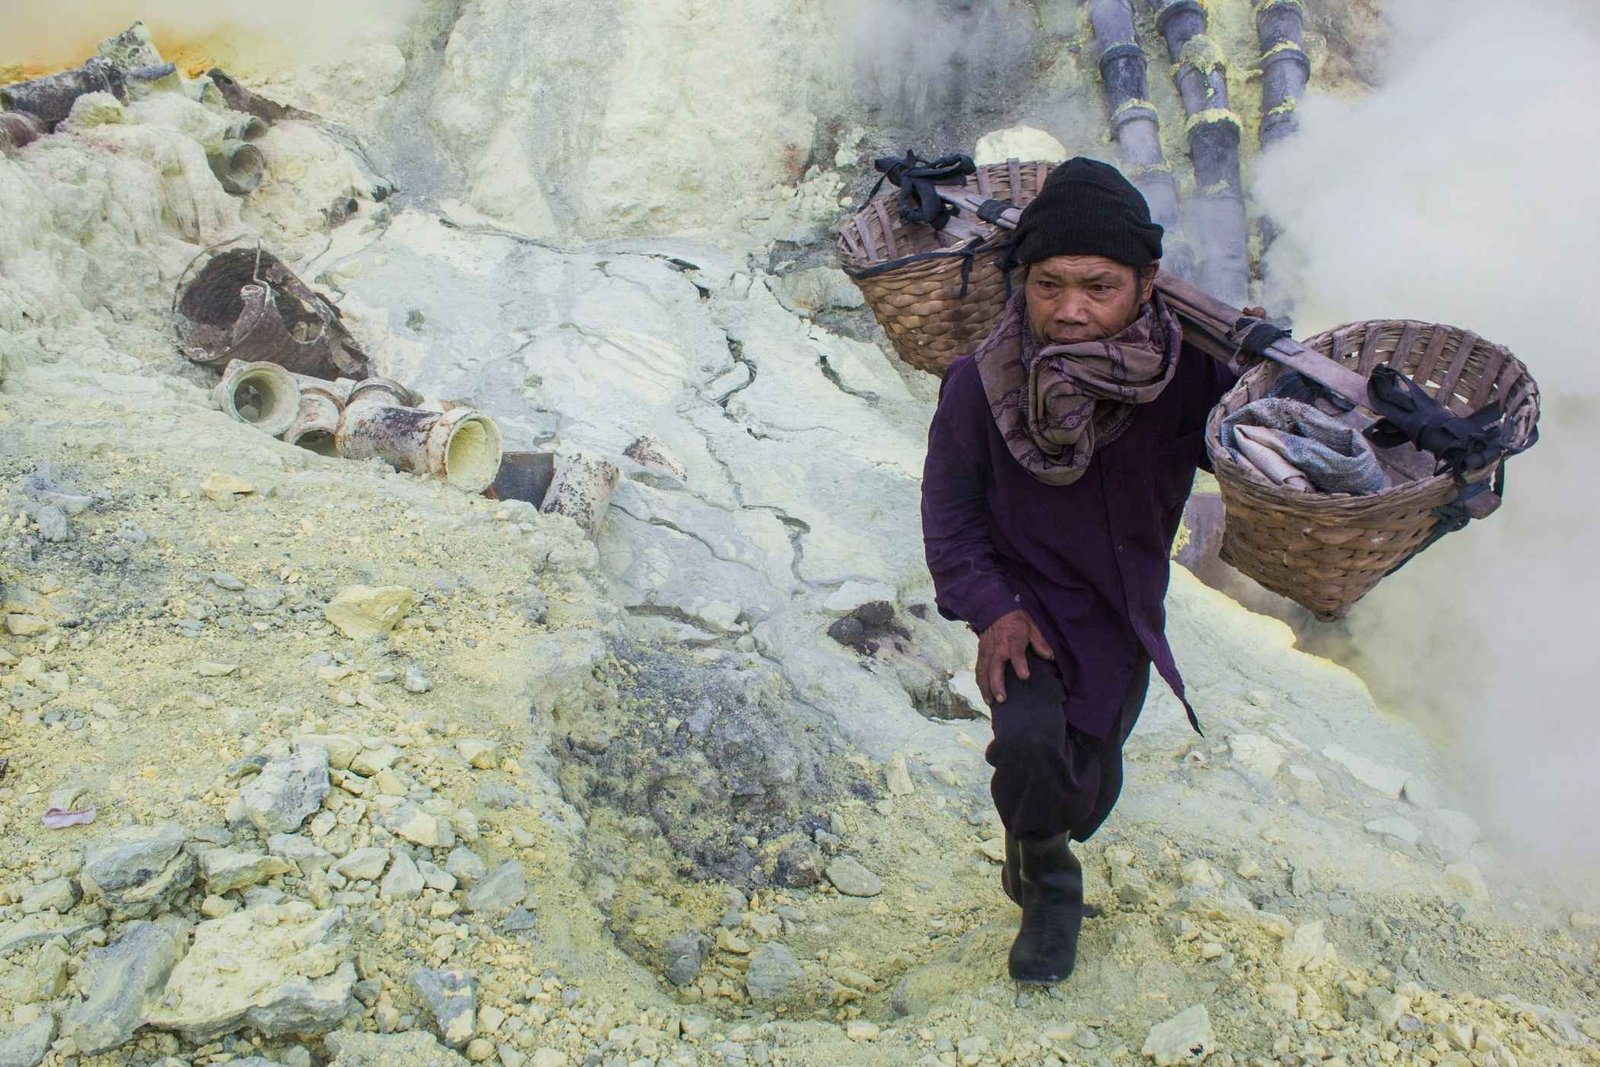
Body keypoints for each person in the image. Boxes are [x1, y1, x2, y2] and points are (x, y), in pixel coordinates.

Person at [920, 157, 1256, 984]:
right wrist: (991, 608)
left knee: (1090, 776)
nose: (1069, 309)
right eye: (1049, 285)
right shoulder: (979, 383)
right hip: (1024, 604)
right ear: (1023, 283)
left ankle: (1039, 839)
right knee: (1031, 743)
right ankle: (1049, 887)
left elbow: (1273, 427)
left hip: (1122, 610)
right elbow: (949, 513)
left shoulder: (1189, 375)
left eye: (1097, 286)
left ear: (1146, 284)